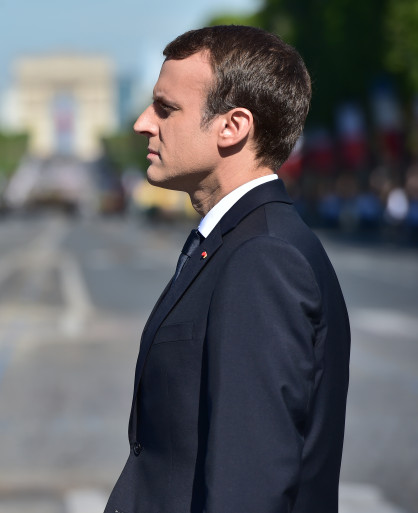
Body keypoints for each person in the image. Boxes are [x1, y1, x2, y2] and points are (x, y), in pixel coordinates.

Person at [104, 25, 350, 513]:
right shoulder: (239, 240)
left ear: (232, 127)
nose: (141, 123)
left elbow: (250, 482)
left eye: (165, 108)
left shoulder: (262, 257)